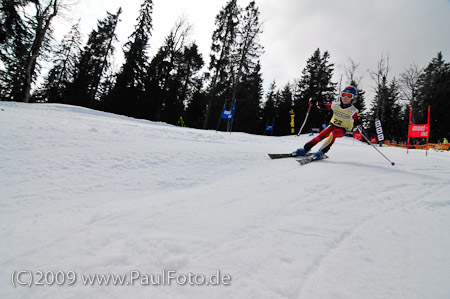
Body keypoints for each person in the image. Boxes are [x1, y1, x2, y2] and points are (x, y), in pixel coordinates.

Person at [292, 85, 361, 160]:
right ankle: (305, 149)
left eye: (349, 96)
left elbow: (357, 121)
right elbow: (324, 106)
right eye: (344, 95)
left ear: (353, 98)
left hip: (342, 129)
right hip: (332, 125)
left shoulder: (353, 111)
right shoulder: (336, 105)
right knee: (320, 136)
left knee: (333, 134)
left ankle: (322, 152)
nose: (345, 98)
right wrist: (316, 102)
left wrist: (357, 126)